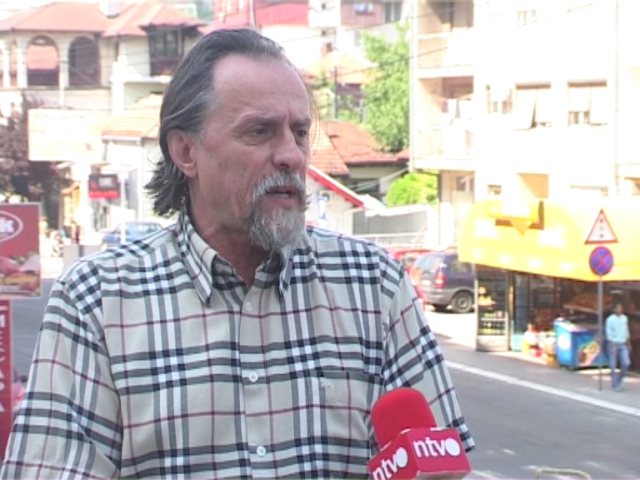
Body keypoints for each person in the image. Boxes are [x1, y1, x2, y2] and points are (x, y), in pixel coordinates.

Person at [1, 29, 473, 480]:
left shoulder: (375, 286)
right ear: (186, 151)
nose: (291, 155)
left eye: (300, 132)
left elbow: (441, 465)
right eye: (260, 132)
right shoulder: (98, 301)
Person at [605, 302, 631, 392]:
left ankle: (620, 379)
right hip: (614, 343)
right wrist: (612, 344)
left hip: (623, 343)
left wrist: (628, 343)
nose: (620, 310)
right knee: (613, 365)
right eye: (618, 308)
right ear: (614, 309)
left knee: (626, 363)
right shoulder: (610, 319)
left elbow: (626, 331)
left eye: (621, 308)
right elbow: (609, 333)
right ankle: (615, 384)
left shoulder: (624, 318)